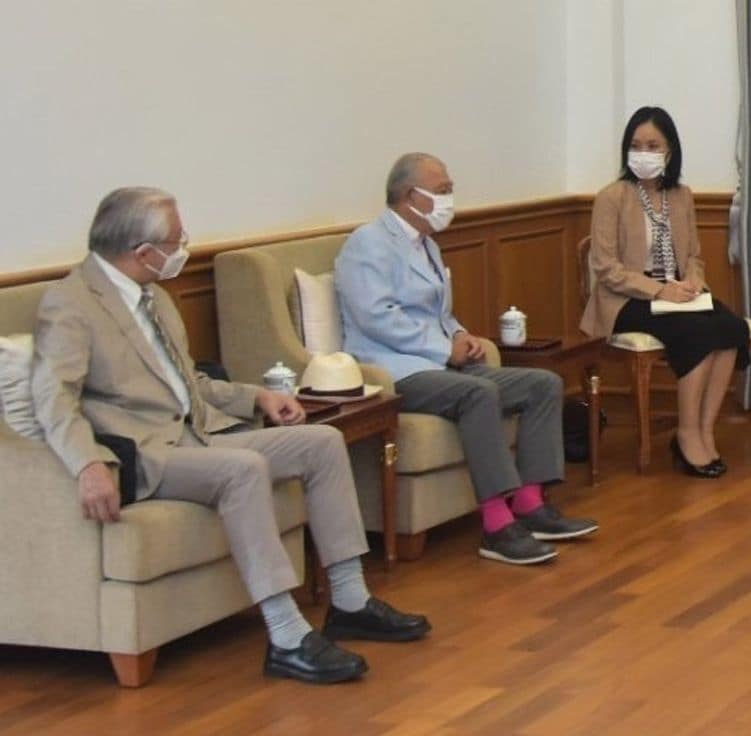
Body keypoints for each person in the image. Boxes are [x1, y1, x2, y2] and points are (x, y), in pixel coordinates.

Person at [31, 187, 429, 685]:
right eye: (176, 242)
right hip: (147, 452)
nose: (184, 249)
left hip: (198, 434)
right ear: (142, 251)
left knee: (322, 442)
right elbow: (54, 397)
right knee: (244, 470)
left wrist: (255, 397)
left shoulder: (155, 297)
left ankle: (350, 600)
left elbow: (189, 383)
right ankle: (287, 636)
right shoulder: (70, 304)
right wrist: (88, 464)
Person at [335, 153, 597, 566]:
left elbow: (439, 313)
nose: (449, 199)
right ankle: (496, 525)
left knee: (543, 384)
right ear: (410, 196)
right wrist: (444, 349)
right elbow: (376, 317)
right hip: (394, 369)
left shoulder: (426, 245)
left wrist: (459, 335)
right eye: (442, 191)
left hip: (440, 364)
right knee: (479, 393)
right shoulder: (367, 243)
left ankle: (530, 504)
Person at [580, 106, 751, 479]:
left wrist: (692, 282)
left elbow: (693, 256)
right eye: (636, 145)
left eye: (653, 145)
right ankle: (686, 434)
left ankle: (704, 430)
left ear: (670, 151)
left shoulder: (681, 195)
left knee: (730, 328)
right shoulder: (611, 197)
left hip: (676, 293)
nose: (643, 152)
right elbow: (606, 268)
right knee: (696, 333)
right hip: (627, 299)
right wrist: (659, 291)